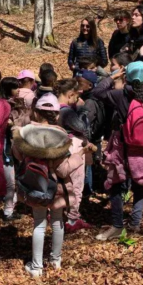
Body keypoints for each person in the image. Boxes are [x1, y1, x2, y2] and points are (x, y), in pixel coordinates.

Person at [12, 94, 84, 277]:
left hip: (35, 184)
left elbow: (19, 156)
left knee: (39, 223)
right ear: (57, 115)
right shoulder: (60, 137)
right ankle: (55, 260)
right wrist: (78, 156)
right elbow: (62, 170)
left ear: (36, 112)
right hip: (57, 188)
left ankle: (36, 266)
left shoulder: (26, 132)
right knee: (58, 221)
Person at [92, 62, 143, 241]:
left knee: (116, 186)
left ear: (126, 76)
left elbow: (97, 92)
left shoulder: (120, 94)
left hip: (122, 148)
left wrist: (111, 77)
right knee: (139, 185)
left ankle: (117, 225)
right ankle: (135, 223)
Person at [55, 80, 93, 233]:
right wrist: (82, 110)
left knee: (62, 181)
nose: (77, 100)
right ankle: (72, 218)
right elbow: (83, 128)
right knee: (76, 183)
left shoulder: (51, 106)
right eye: (76, 98)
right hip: (73, 147)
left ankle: (58, 211)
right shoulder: (67, 111)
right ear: (70, 95)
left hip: (59, 146)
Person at [0, 77, 20, 221]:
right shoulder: (2, 104)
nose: (19, 90)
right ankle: (8, 211)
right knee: (9, 180)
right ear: (9, 89)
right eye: (16, 88)